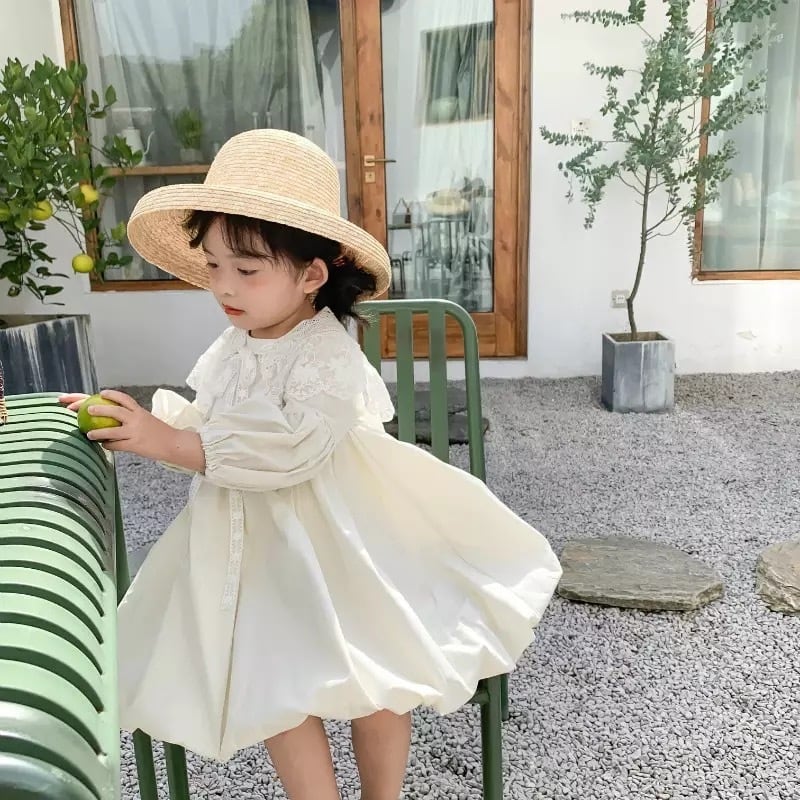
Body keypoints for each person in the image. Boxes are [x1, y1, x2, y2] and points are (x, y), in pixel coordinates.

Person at [60, 129, 562, 800]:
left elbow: (286, 447)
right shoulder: (237, 342)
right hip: (263, 552)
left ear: (311, 276)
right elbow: (221, 431)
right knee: (277, 681)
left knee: (377, 677)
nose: (223, 286)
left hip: (343, 545)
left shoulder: (325, 353)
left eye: (247, 270)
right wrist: (143, 425)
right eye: (213, 265)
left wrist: (171, 443)